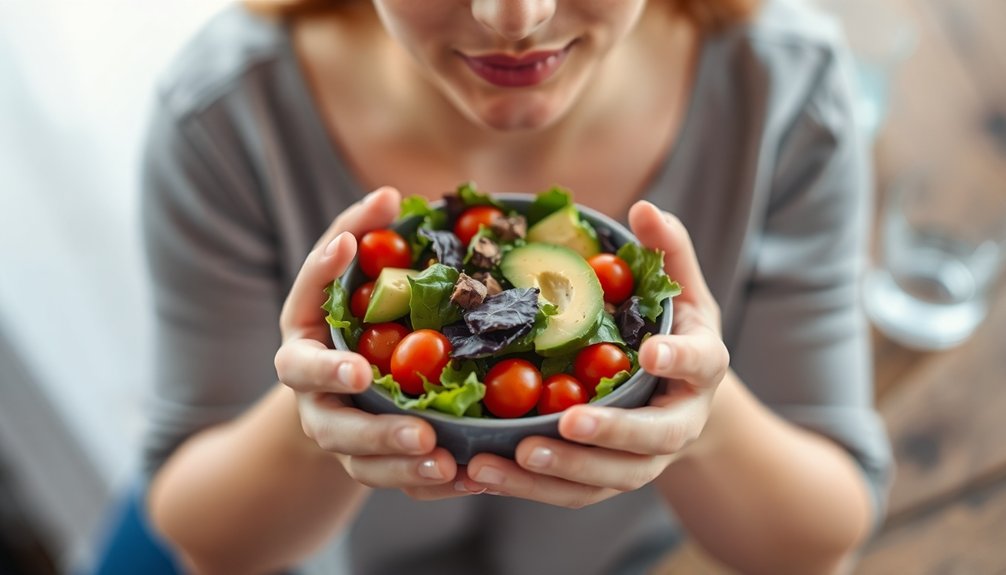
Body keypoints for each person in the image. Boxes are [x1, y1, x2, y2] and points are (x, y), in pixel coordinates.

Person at [141, 0, 892, 573]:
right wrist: (320, 404)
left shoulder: (787, 92)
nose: (515, 19)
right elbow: (203, 535)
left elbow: (821, 537)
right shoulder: (223, 115)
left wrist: (702, 413)